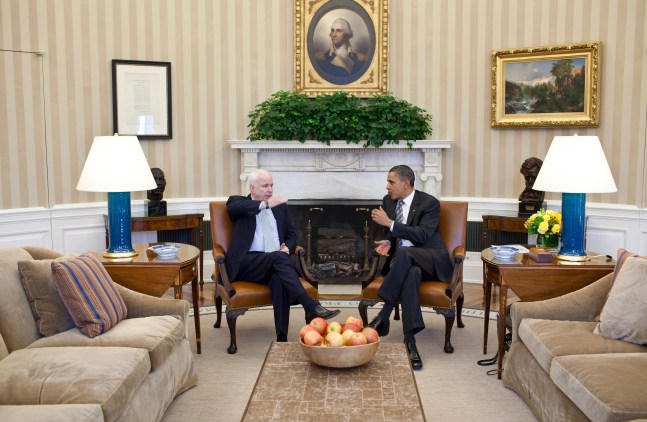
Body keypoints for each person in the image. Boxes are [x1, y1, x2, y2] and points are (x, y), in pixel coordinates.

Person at [225, 169, 340, 342]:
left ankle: (282, 338)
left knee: (279, 277)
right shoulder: (238, 202)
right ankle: (310, 305)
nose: (270, 190)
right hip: (246, 263)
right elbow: (234, 208)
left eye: (271, 185)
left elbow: (292, 235)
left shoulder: (280, 207)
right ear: (252, 188)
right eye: (265, 186)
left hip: (273, 262)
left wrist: (288, 248)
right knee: (278, 258)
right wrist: (265, 204)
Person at [367, 165, 452, 369]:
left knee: (406, 254)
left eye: (391, 182)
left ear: (406, 183)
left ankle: (383, 315)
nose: (387, 187)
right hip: (406, 263)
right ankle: (410, 342)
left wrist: (390, 224)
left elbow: (422, 235)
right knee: (410, 273)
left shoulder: (429, 203)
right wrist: (388, 240)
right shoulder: (388, 201)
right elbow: (395, 233)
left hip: (431, 259)